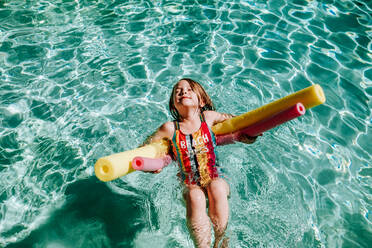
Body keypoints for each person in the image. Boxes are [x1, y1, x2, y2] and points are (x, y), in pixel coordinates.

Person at [143, 78, 257, 248]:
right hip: (190, 185)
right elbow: (145, 148)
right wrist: (150, 166)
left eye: (189, 89)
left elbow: (237, 123)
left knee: (216, 186)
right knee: (195, 196)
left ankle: (221, 241)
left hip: (216, 177)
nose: (183, 92)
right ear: (173, 105)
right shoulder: (169, 129)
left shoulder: (208, 118)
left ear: (202, 100)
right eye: (178, 91)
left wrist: (250, 135)